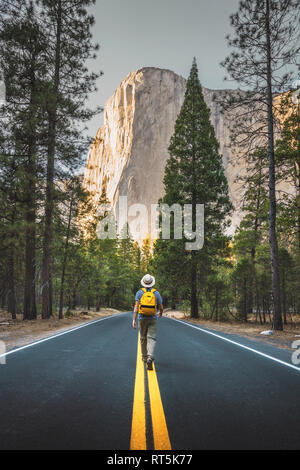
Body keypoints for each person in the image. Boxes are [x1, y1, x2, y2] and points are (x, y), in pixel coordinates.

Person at [132, 274, 163, 370]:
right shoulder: (156, 293)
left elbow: (136, 307)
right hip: (153, 318)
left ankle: (144, 357)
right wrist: (160, 313)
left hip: (142, 318)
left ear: (144, 283)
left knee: (142, 338)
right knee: (151, 338)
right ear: (152, 283)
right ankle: (150, 357)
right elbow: (161, 307)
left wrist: (134, 319)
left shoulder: (139, 293)